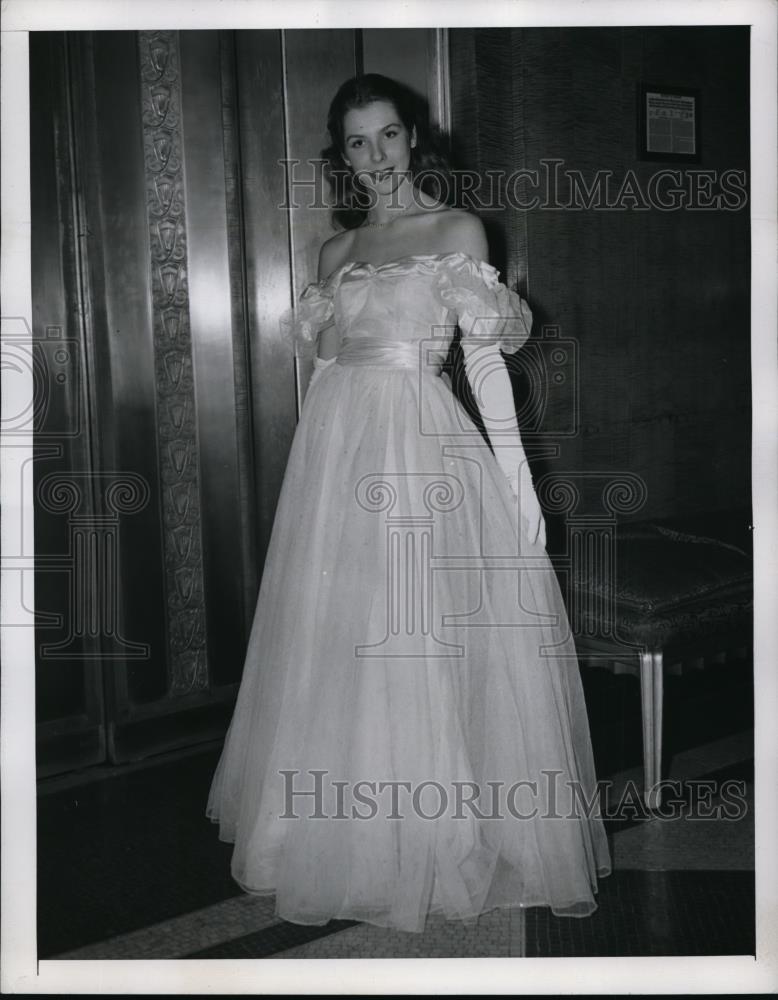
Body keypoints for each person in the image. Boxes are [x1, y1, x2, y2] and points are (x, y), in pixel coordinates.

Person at [207, 73, 611, 934]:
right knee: (341, 641)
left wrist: (517, 478)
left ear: (414, 138)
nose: (376, 157)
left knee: (419, 640)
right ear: (341, 155)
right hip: (336, 459)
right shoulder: (335, 252)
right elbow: (320, 368)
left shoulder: (457, 230)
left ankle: (433, 837)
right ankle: (337, 830)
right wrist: (306, 486)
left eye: (388, 136)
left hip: (421, 444)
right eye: (357, 143)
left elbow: (488, 362)